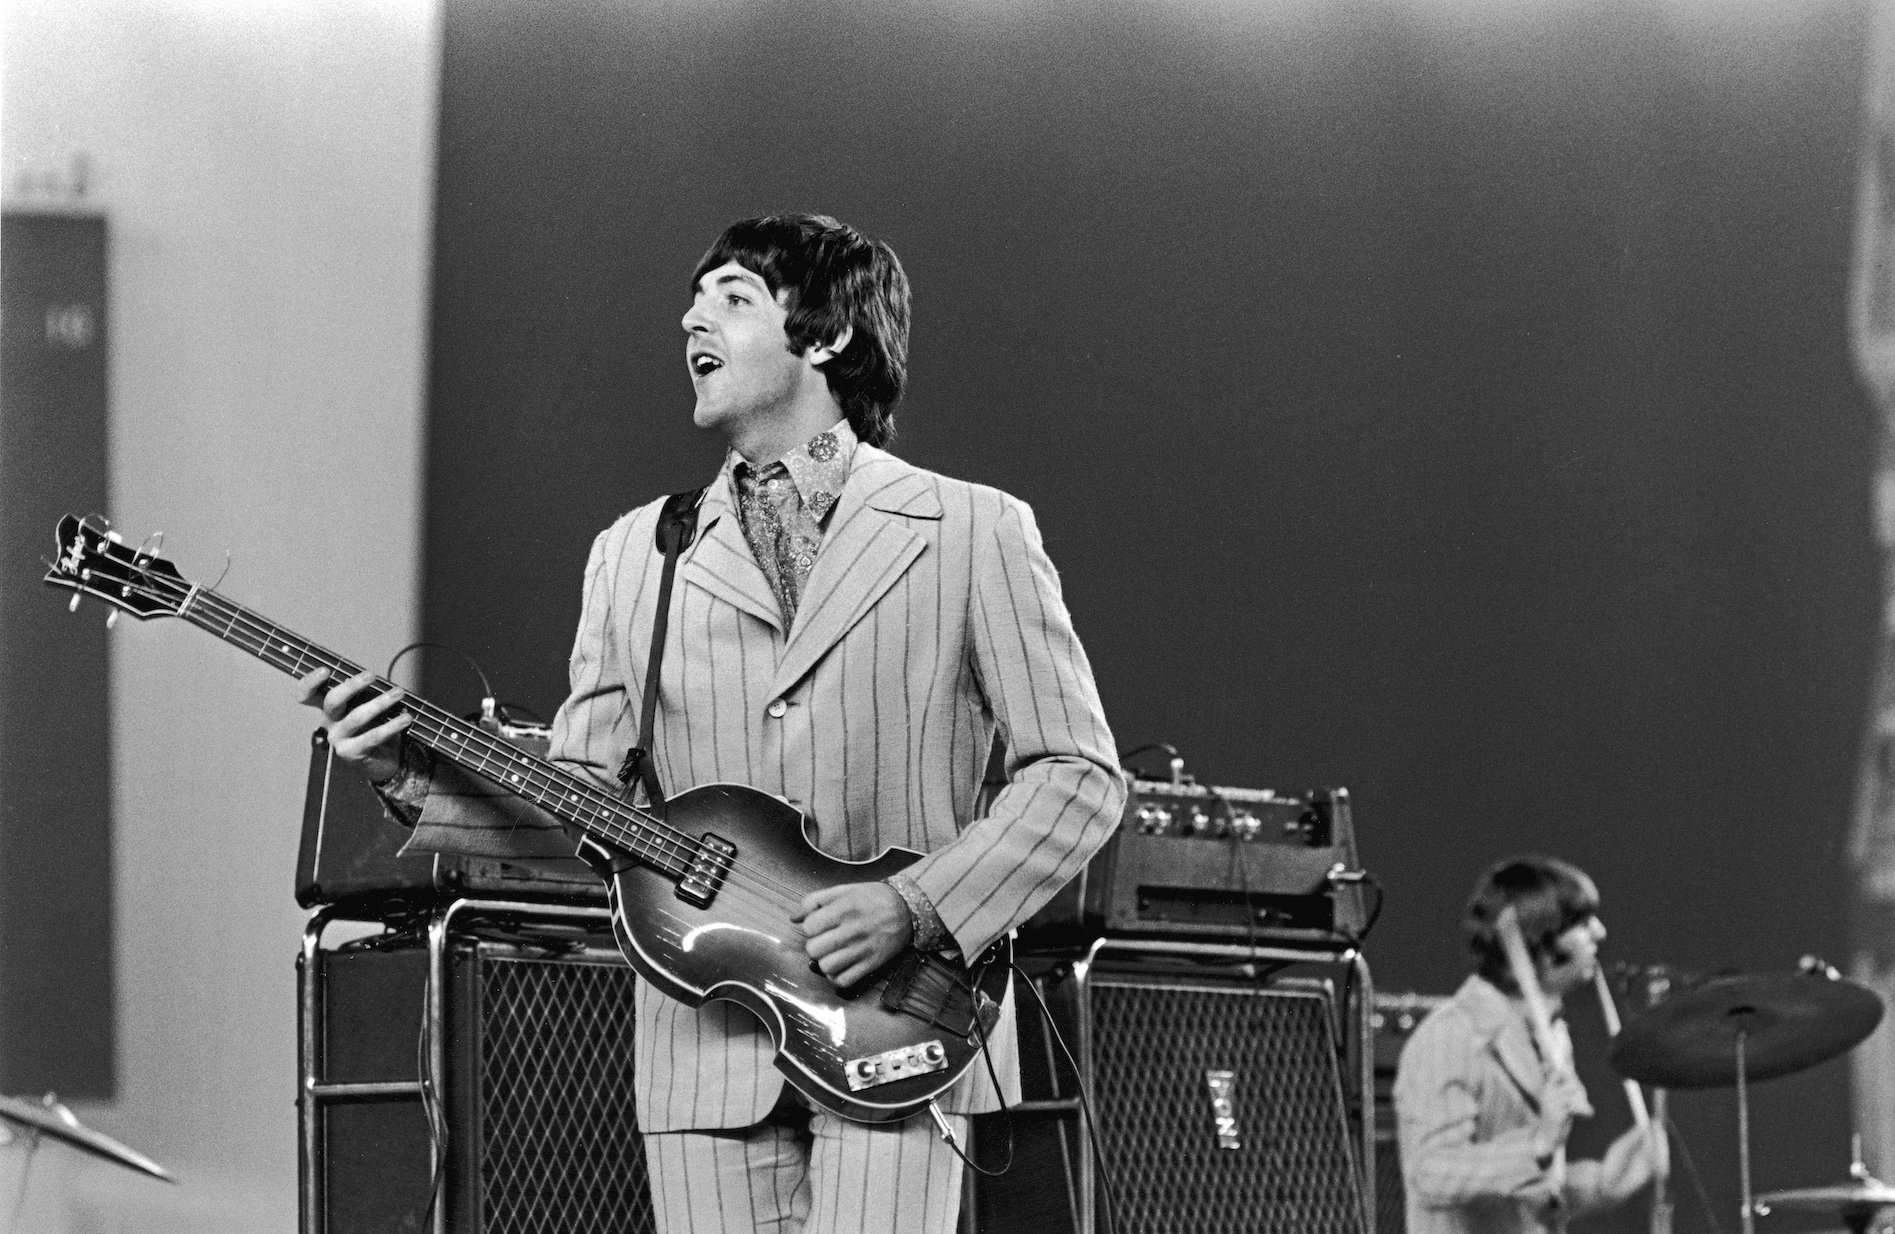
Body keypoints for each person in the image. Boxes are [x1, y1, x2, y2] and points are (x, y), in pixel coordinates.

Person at [299, 212, 1127, 1234]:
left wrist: (911, 905)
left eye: (733, 296)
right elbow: (583, 819)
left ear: (825, 336)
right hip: (701, 1058)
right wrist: (400, 771)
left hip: (891, 1028)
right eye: (693, 301)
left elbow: (1078, 775)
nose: (693, 318)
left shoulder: (971, 531)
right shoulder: (633, 555)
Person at [1394, 856, 1663, 1234]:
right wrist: (1537, 1142)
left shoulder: (1548, 1035)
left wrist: (1602, 1183)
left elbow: (1523, 1195)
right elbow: (1430, 1172)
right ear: (1540, 941)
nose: (1600, 932)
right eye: (1581, 923)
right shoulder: (1452, 1034)